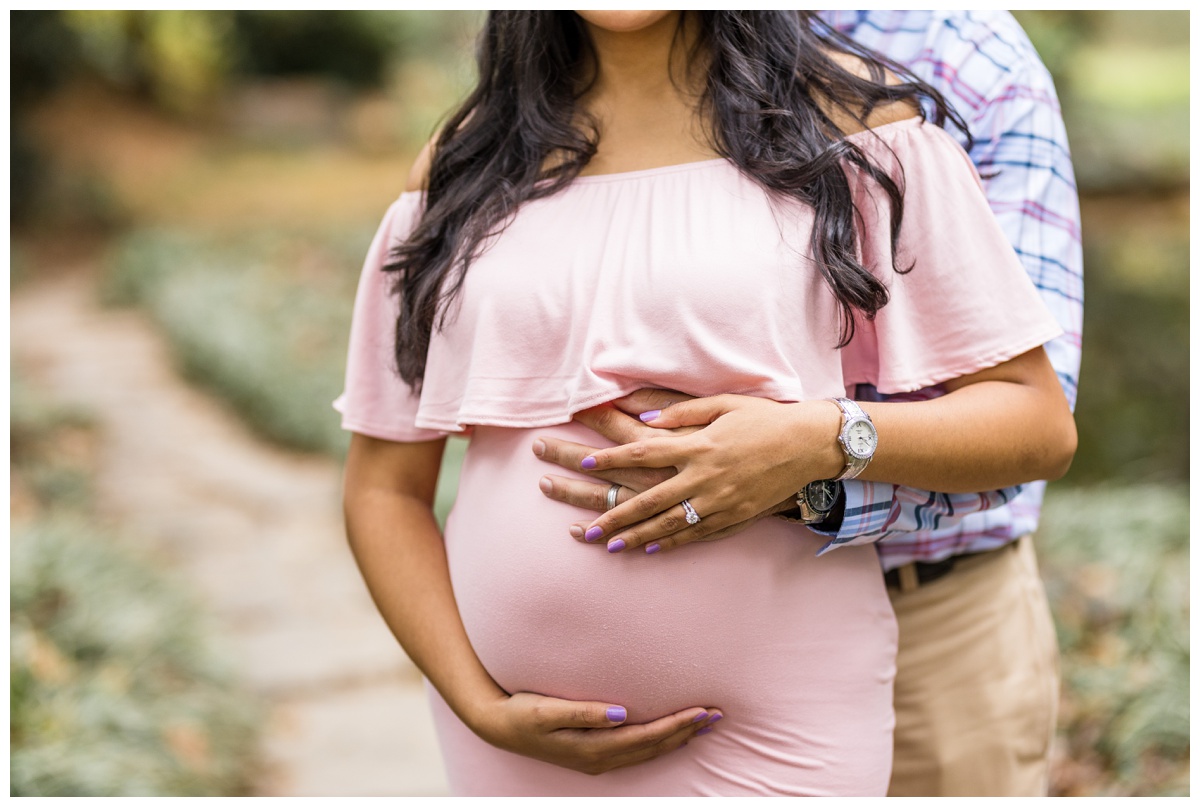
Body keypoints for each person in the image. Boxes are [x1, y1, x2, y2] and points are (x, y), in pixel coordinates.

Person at [335, 11, 1076, 797]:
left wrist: (827, 437)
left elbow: (1034, 423)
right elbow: (383, 487)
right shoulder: (465, 164)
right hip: (516, 742)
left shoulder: (864, 132)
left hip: (777, 726)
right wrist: (474, 701)